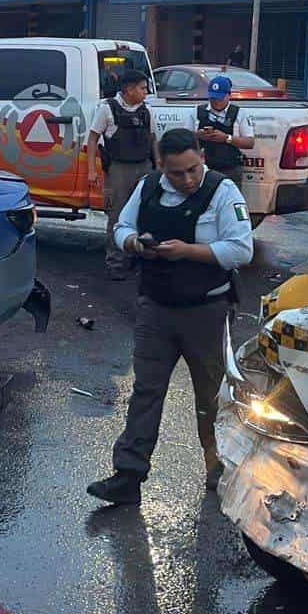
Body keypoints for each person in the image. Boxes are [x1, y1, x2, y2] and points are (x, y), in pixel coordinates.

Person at [87, 127, 254, 505]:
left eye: (193, 169)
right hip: (155, 309)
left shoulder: (222, 192)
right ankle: (128, 475)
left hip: (207, 311)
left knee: (210, 395)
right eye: (177, 173)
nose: (188, 179)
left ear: (202, 158)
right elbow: (123, 227)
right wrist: (133, 243)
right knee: (146, 392)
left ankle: (219, 469)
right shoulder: (148, 187)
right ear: (162, 166)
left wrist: (189, 252)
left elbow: (241, 249)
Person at [87, 69, 158, 280]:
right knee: (117, 216)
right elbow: (92, 139)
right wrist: (92, 170)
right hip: (119, 169)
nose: (146, 92)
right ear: (129, 89)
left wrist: (158, 167)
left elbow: (153, 139)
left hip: (144, 166)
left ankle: (137, 257)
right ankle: (116, 263)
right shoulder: (107, 109)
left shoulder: (146, 111)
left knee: (144, 214)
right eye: (143, 88)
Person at [195, 75, 254, 192]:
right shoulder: (196, 111)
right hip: (205, 169)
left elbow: (250, 143)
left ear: (229, 95)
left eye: (220, 98)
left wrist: (227, 138)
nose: (216, 102)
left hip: (230, 168)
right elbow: (185, 137)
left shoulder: (240, 113)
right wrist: (198, 135)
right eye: (213, 98)